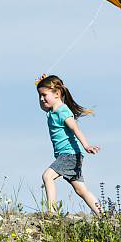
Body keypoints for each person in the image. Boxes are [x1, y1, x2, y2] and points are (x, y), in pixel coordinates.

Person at [36, 74, 103, 216]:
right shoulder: (51, 111)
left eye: (44, 95)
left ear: (57, 94)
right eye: (40, 96)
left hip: (70, 153)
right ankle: (103, 215)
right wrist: (43, 82)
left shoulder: (63, 111)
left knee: (47, 176)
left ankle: (51, 211)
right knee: (81, 190)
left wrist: (86, 145)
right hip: (69, 154)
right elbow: (44, 105)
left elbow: (75, 129)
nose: (42, 99)